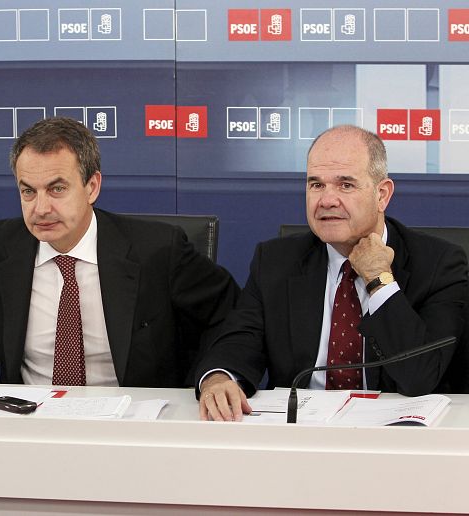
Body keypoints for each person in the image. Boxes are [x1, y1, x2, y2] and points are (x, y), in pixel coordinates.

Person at [196, 125, 468, 421]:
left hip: (397, 436)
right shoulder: (275, 261)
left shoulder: (439, 265)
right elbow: (238, 342)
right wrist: (219, 378)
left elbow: (419, 376)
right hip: (300, 432)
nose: (326, 200)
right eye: (316, 185)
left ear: (382, 195)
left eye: (345, 185)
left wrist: (378, 279)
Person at [0, 117, 239, 387]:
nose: (41, 209)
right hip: (31, 410)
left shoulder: (158, 250)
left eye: (57, 189)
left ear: (92, 187)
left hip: (132, 411)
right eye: (28, 192)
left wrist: (213, 376)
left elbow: (230, 313)